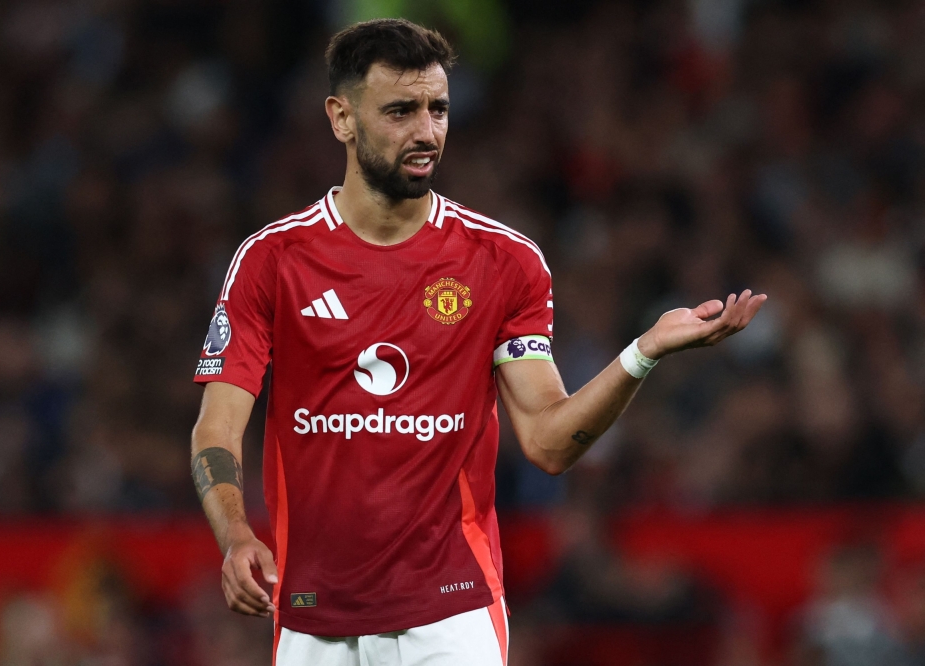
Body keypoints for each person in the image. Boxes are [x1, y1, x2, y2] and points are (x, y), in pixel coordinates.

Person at [190, 18, 766, 666]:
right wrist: (235, 532)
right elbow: (216, 428)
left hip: (451, 616)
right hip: (312, 620)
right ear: (341, 118)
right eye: (401, 110)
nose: (426, 131)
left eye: (438, 109)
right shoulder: (272, 261)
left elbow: (548, 442)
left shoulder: (503, 262)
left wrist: (643, 353)